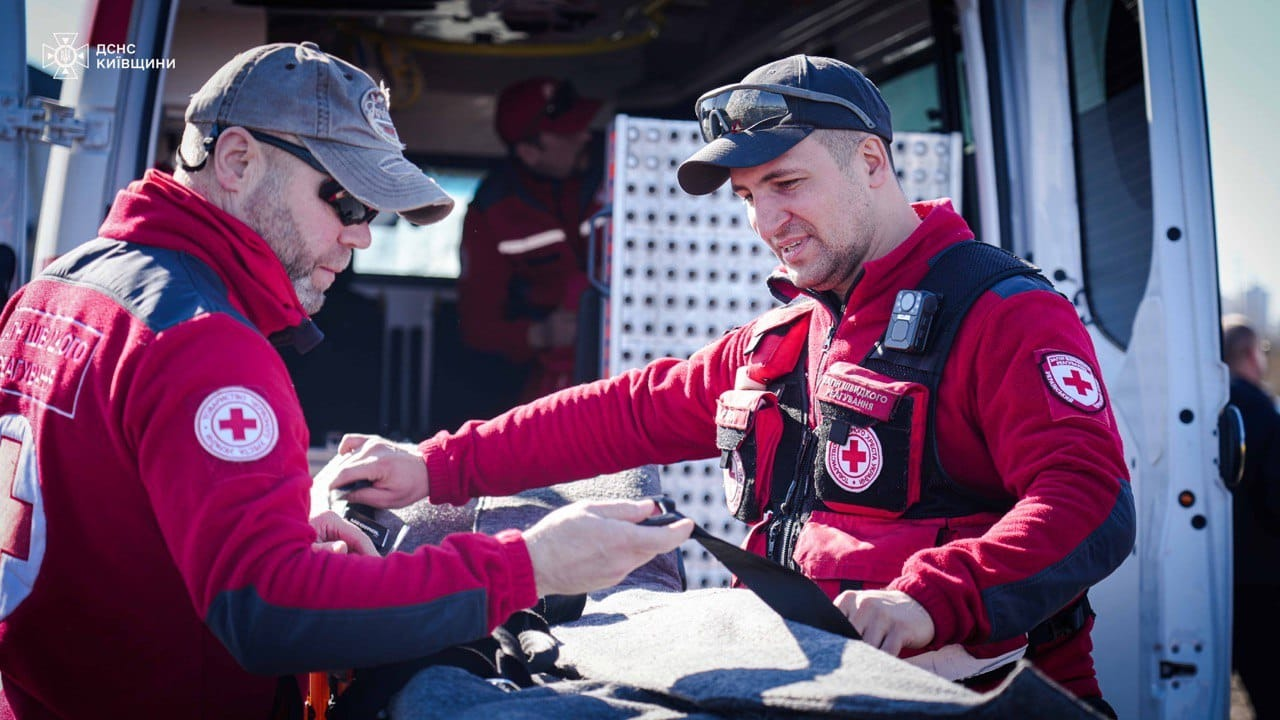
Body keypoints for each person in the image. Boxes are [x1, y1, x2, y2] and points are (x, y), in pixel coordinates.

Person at [326, 54, 1135, 714]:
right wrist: (433, 467)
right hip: (805, 683)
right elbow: (626, 413)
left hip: (981, 696)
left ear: (871, 162)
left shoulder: (1000, 313)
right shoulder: (790, 338)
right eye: (749, 196)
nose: (765, 222)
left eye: (787, 184)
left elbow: (1090, 500)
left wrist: (927, 600)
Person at [0, 42, 691, 719]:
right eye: (347, 203)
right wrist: (532, 565)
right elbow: (270, 612)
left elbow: (111, 526)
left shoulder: (54, 289)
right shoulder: (206, 344)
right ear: (237, 160)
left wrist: (284, 533)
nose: (362, 236)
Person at [456, 76, 605, 409]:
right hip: (547, 372)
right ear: (529, 152)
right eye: (568, 133)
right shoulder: (493, 211)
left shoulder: (621, 170)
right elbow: (477, 328)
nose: (585, 136)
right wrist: (541, 334)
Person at [1222, 314, 1280, 719]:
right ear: (1247, 353)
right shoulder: (1260, 409)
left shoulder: (1205, 403)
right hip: (1261, 577)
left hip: (1208, 574)